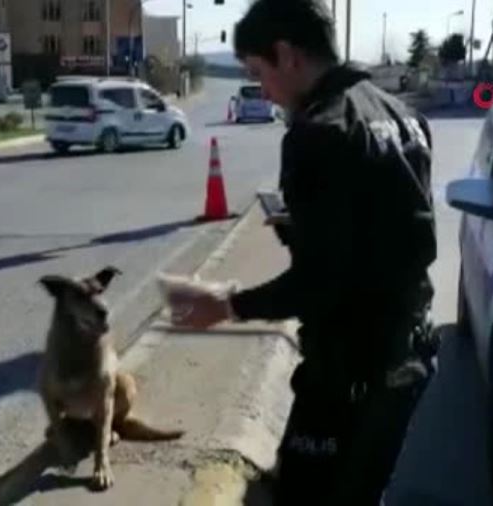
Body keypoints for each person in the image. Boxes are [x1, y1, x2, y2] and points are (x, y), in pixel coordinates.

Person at [167, 0, 438, 503]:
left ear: (287, 55)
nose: (263, 91)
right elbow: (387, 236)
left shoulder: (319, 132)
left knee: (305, 494)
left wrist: (225, 306)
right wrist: (302, 226)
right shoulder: (403, 117)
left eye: (257, 72)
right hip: (407, 358)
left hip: (350, 372)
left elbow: (321, 283)